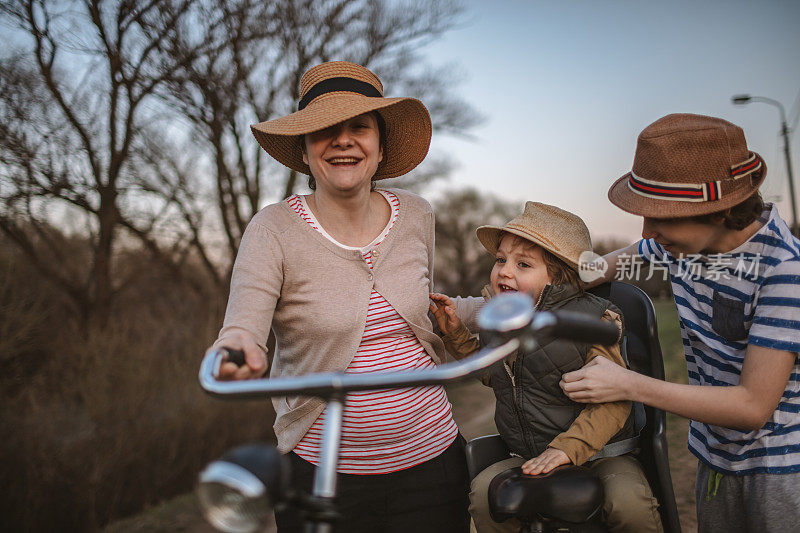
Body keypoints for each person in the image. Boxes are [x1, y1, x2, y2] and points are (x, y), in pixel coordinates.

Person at [209, 61, 471, 532]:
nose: (344, 140)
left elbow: (424, 313)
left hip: (434, 463)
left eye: (360, 127)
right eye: (325, 130)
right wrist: (236, 348)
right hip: (323, 477)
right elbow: (243, 322)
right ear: (305, 151)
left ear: (379, 146)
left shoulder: (416, 214)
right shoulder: (273, 228)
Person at [560, 113, 800, 532]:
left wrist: (628, 383)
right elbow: (592, 270)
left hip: (780, 471)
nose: (648, 230)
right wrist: (537, 269)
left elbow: (752, 406)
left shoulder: (783, 271)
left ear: (721, 211)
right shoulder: (677, 247)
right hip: (716, 455)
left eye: (664, 217)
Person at [429, 202, 663, 532]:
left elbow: (614, 403)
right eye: (500, 260)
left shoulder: (594, 320)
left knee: (630, 503)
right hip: (529, 455)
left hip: (603, 453)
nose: (504, 271)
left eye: (522, 264)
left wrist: (566, 449)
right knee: (483, 494)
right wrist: (455, 333)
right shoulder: (502, 320)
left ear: (560, 278)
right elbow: (489, 371)